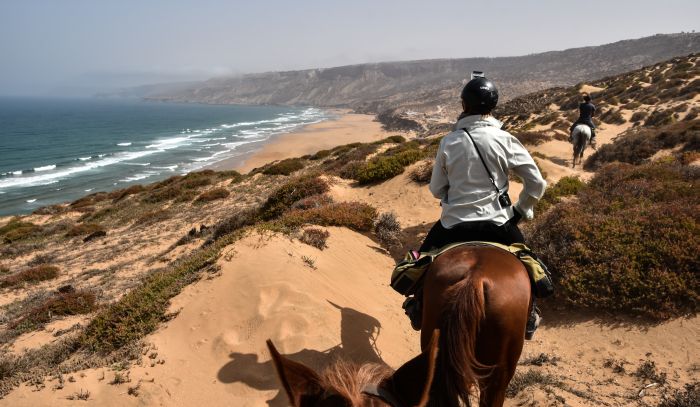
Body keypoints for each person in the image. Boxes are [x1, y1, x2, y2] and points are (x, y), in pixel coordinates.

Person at [402, 76, 548, 340]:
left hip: (452, 225)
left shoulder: (449, 141)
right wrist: (520, 209)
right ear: (493, 106)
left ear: (463, 104)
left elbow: (436, 189)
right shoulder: (506, 139)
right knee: (531, 265)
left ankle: (417, 305)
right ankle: (530, 312)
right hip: (499, 224)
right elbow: (536, 183)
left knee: (422, 263)